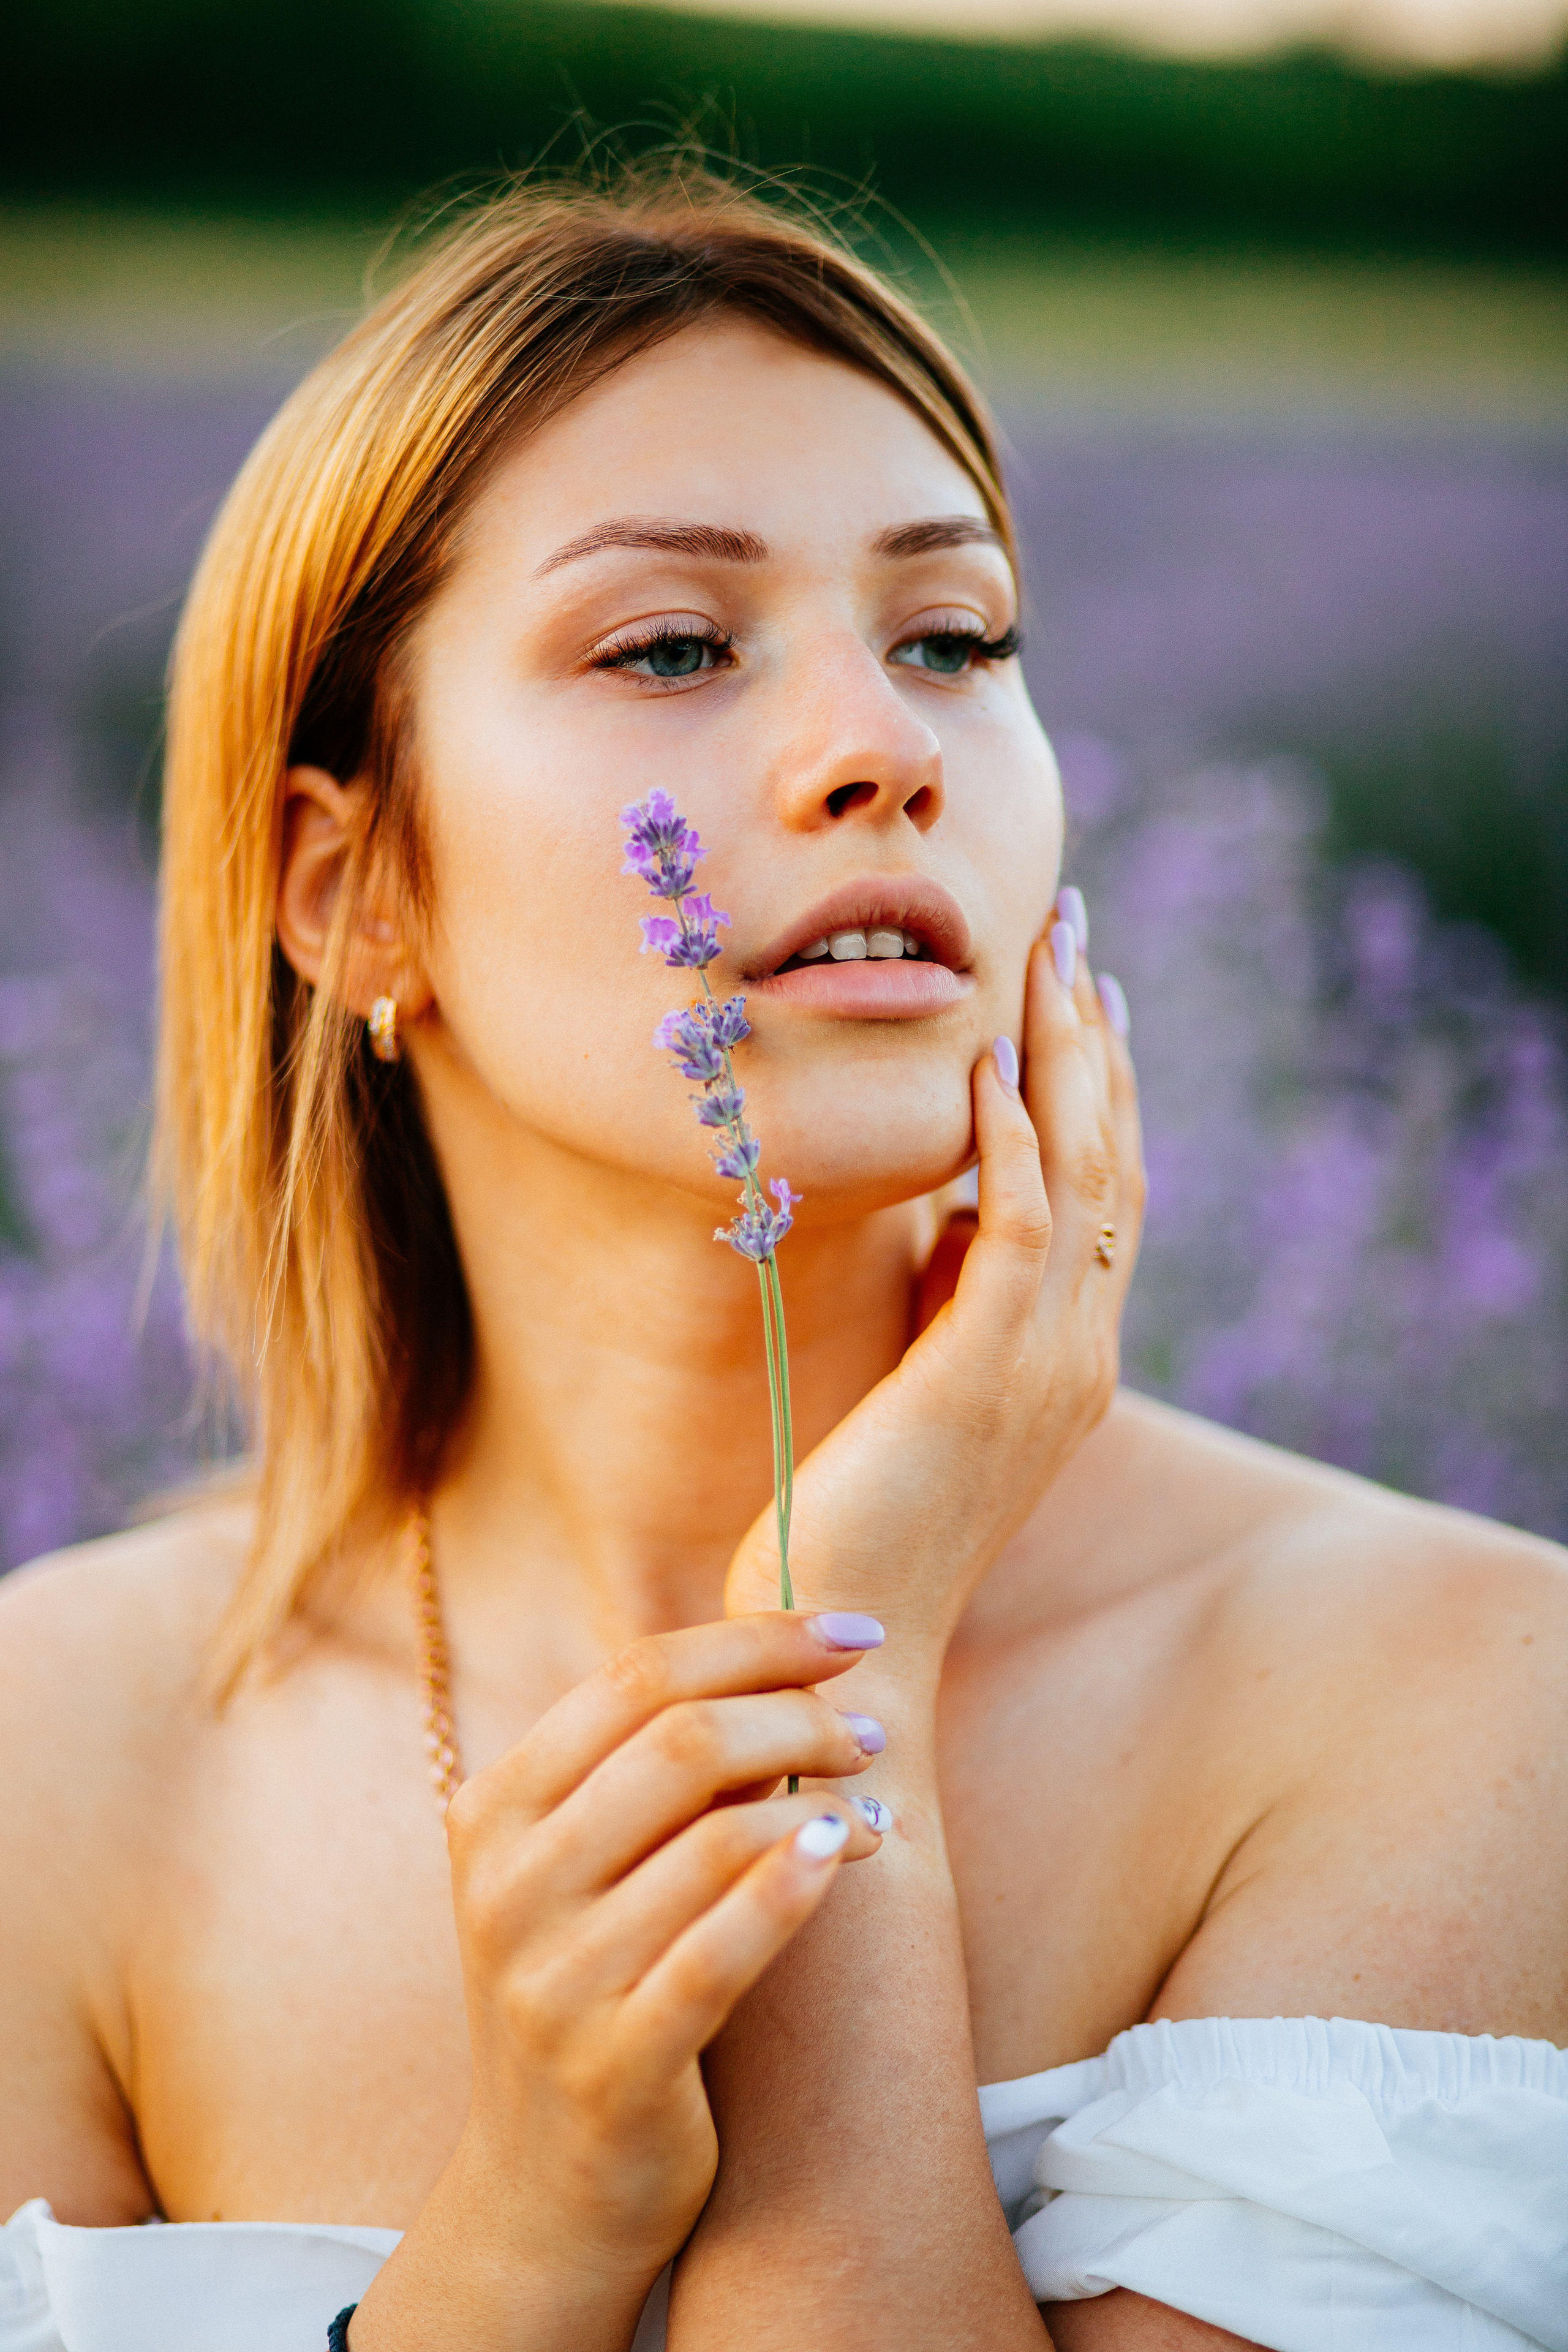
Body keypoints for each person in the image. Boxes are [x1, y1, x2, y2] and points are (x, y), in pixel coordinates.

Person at [1, 168, 1563, 2352]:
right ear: (353, 893)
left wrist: (842, 1685)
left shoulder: (1463, 1701)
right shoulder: (59, 1765)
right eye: (671, 645)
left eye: (956, 637)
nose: (885, 751)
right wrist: (529, 2230)